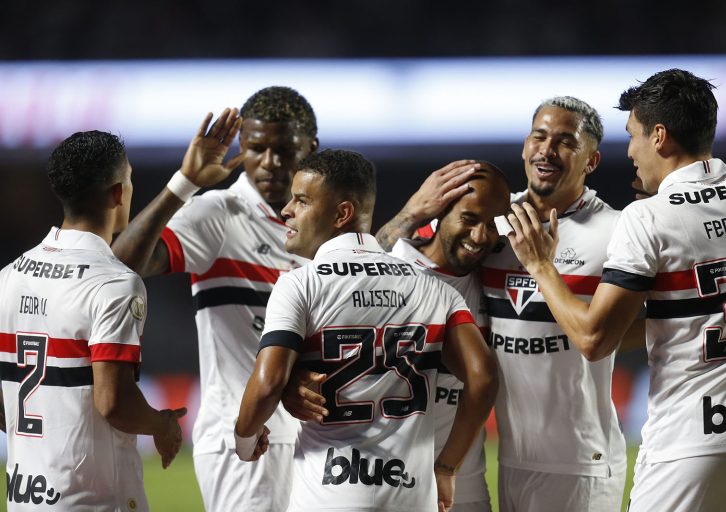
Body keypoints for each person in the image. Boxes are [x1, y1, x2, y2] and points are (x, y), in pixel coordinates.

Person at [503, 69, 726, 511]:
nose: (630, 151)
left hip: (690, 446)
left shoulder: (647, 217)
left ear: (659, 136)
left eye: (633, 135)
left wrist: (539, 265)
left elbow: (593, 338)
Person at [377, 97, 636, 511]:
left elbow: (631, 326)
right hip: (510, 457)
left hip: (580, 462)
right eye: (540, 136)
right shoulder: (490, 216)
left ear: (591, 161)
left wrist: (542, 268)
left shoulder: (617, 230)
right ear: (524, 146)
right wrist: (410, 212)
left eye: (566, 141)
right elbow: (378, 266)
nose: (547, 149)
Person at [234, 149, 498, 512]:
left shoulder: (300, 284)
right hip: (410, 495)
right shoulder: (435, 290)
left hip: (327, 497)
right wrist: (447, 466)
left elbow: (266, 384)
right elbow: (484, 377)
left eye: (301, 200)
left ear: (342, 213)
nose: (286, 210)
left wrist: (245, 441)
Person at [0, 111, 237, 509]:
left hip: (24, 495)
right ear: (118, 193)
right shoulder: (113, 283)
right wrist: (161, 424)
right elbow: (114, 402)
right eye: (128, 179)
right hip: (91, 499)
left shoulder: (9, 276)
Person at [111, 86, 319, 511]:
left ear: (311, 149)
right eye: (257, 148)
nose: (271, 163)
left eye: (285, 149)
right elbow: (120, 264)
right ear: (242, 147)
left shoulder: (324, 226)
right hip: (243, 439)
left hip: (318, 436)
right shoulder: (221, 214)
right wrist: (183, 183)